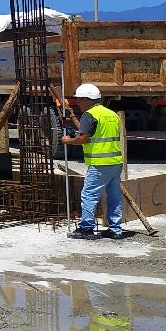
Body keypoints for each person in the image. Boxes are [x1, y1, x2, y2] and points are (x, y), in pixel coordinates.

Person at [61, 83, 127, 240]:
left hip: (99, 164)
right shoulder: (112, 114)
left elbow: (84, 139)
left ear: (86, 99)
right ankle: (115, 229)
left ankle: (86, 228)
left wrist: (68, 140)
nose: (77, 102)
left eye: (79, 99)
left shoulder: (89, 115)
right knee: (114, 196)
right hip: (115, 162)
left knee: (89, 195)